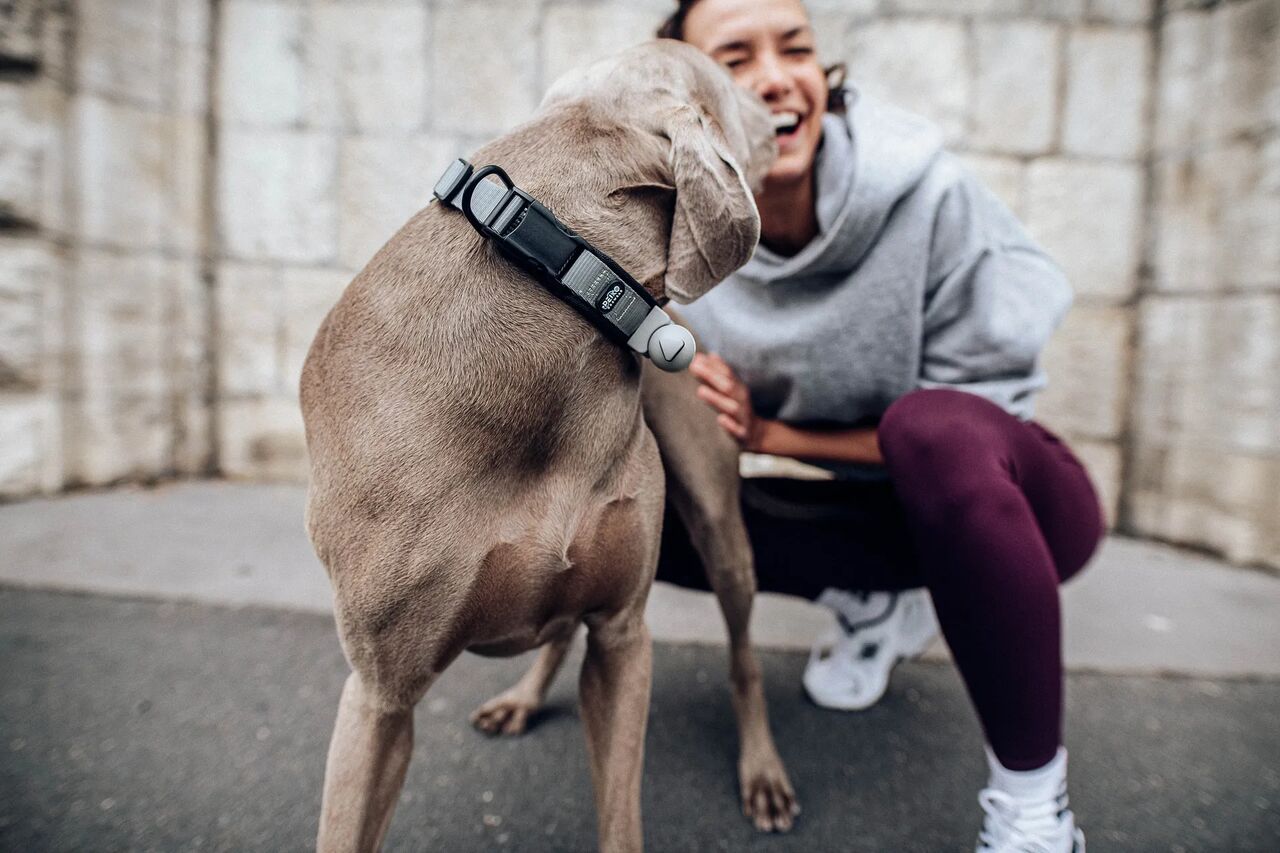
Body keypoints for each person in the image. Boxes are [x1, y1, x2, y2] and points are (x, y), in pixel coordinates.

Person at [653, 1, 1106, 851]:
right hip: (878, 519)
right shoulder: (679, 235)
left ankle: (1033, 809)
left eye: (795, 48)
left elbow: (977, 423)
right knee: (649, 516)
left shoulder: (931, 195)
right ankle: (870, 600)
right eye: (736, 58)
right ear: (687, 98)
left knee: (929, 430)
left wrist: (771, 435)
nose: (775, 78)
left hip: (1022, 508)